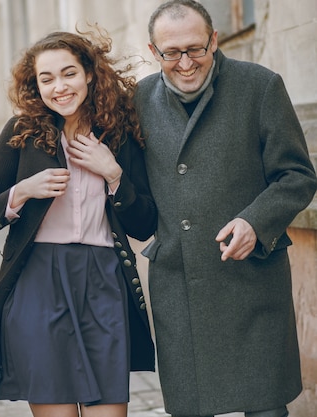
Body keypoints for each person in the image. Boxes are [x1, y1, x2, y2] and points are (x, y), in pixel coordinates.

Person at [133, 1, 317, 416]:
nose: (185, 63)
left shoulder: (260, 86)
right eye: (171, 52)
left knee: (266, 408)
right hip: (179, 283)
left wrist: (255, 220)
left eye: (196, 48)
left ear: (214, 40)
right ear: (153, 50)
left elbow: (298, 176)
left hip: (251, 278)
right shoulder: (139, 99)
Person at [0, 28, 157, 417]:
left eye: (68, 73)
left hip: (104, 281)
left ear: (90, 73)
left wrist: (114, 175)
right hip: (38, 283)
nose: (59, 87)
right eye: (46, 78)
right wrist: (21, 191)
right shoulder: (22, 133)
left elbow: (145, 224)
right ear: (35, 85)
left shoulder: (119, 133)